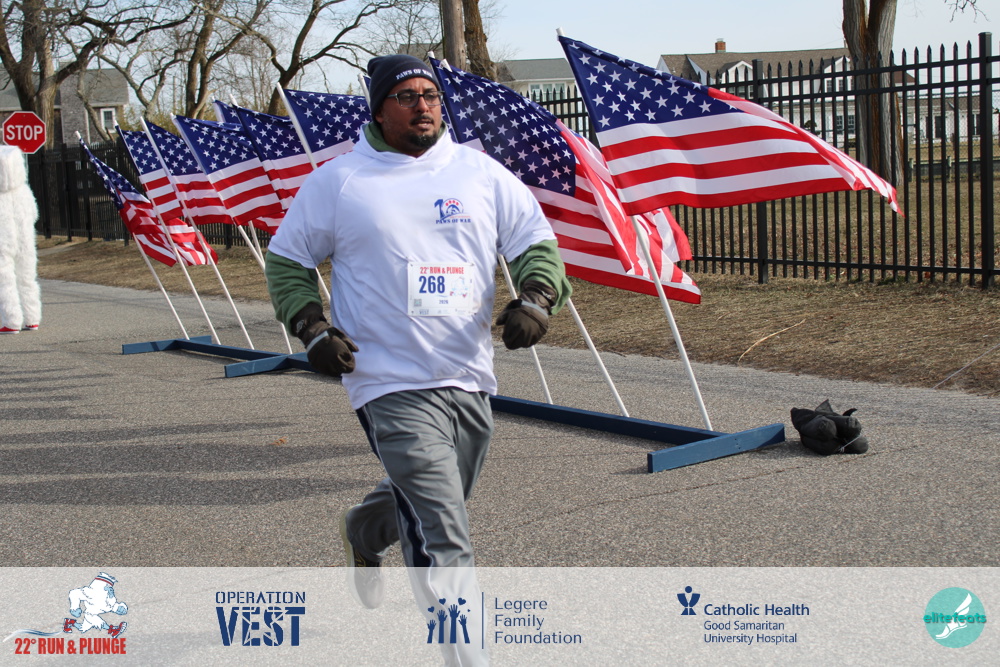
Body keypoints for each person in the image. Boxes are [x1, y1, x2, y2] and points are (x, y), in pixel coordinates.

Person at [265, 54, 570, 659]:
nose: (423, 105)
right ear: (379, 110)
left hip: (466, 372)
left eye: (430, 94)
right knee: (442, 532)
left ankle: (364, 528)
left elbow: (535, 241)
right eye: (406, 96)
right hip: (385, 379)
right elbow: (287, 261)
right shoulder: (341, 181)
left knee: (442, 498)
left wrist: (537, 299)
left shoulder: (479, 173)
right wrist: (312, 328)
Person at [0, 146, 41, 334]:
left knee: (5, 279)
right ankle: (32, 317)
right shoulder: (24, 191)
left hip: (3, 241)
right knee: (27, 277)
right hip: (25, 239)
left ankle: (11, 320)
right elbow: (34, 214)